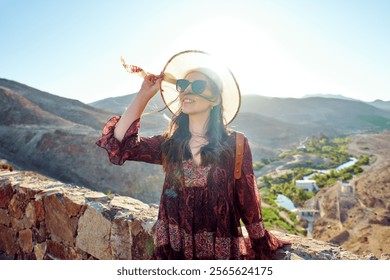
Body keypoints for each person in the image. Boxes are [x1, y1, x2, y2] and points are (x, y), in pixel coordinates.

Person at [96, 50, 290, 259]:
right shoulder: (170, 143)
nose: (187, 91)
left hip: (220, 250)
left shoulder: (236, 144)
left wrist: (261, 244)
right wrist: (143, 94)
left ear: (214, 99)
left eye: (197, 86)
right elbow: (120, 144)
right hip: (173, 246)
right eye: (182, 85)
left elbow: (248, 200)